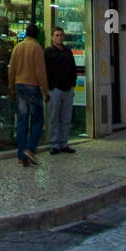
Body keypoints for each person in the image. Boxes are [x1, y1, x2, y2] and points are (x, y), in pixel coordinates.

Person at [8, 22, 49, 167]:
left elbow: (11, 70)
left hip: (19, 87)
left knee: (22, 122)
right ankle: (30, 149)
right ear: (37, 35)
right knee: (38, 120)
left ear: (26, 33)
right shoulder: (37, 48)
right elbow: (40, 72)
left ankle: (21, 157)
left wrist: (11, 88)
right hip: (33, 88)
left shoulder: (17, 47)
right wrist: (45, 90)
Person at [44, 26, 77, 155]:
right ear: (52, 37)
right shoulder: (48, 52)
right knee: (53, 117)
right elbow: (44, 70)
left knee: (66, 118)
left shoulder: (68, 52)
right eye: (56, 35)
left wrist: (72, 84)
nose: (59, 37)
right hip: (55, 89)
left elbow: (73, 68)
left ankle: (64, 143)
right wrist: (48, 87)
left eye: (61, 35)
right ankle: (54, 144)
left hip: (68, 89)